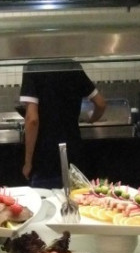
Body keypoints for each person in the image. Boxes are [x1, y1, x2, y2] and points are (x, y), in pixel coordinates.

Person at [19, 59, 106, 188]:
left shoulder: (32, 68)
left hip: (45, 158)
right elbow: (100, 103)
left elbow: (32, 120)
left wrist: (28, 163)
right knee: (74, 198)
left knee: (46, 199)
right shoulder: (73, 66)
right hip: (74, 154)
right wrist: (92, 119)